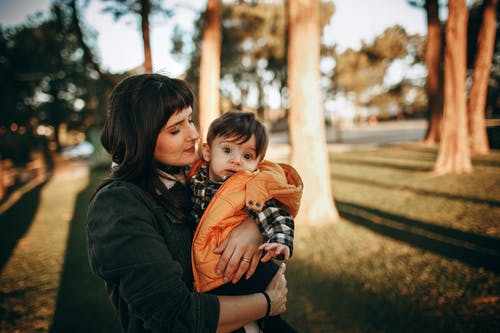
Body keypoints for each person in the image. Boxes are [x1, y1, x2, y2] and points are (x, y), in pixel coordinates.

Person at [86, 73, 288, 333]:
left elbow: (273, 182)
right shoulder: (118, 205)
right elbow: (174, 315)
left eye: (190, 120)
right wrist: (267, 303)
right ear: (142, 138)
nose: (194, 134)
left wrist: (253, 225)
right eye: (175, 129)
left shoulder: (194, 173)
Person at [188, 111, 303, 332]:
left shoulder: (248, 187)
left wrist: (279, 241)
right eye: (228, 150)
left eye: (247, 156)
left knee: (271, 324)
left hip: (249, 272)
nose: (236, 160)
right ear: (208, 151)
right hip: (221, 274)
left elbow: (276, 213)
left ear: (258, 163)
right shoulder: (196, 178)